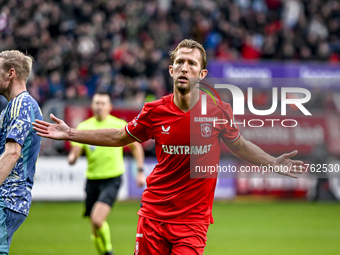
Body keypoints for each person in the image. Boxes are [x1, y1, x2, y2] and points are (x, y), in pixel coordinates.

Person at [33, 39, 304, 255]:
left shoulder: (219, 111)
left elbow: (240, 146)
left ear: (202, 73)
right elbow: (119, 137)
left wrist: (273, 162)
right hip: (153, 216)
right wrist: (71, 133)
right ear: (171, 70)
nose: (185, 67)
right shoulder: (154, 111)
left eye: (192, 64)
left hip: (192, 223)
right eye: (180, 62)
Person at [67, 91, 146, 255]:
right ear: (92, 106)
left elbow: (136, 146)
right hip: (92, 180)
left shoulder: (119, 125)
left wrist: (139, 171)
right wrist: (73, 156)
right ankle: (103, 252)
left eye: (103, 103)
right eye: (96, 103)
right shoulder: (84, 127)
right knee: (95, 228)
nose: (99, 106)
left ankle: (108, 251)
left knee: (97, 219)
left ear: (110, 107)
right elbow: (76, 149)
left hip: (112, 178)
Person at [0, 50, 43, 254]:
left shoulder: (21, 105)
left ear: (10, 73)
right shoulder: (13, 106)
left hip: (7, 197)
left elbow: (12, 153)